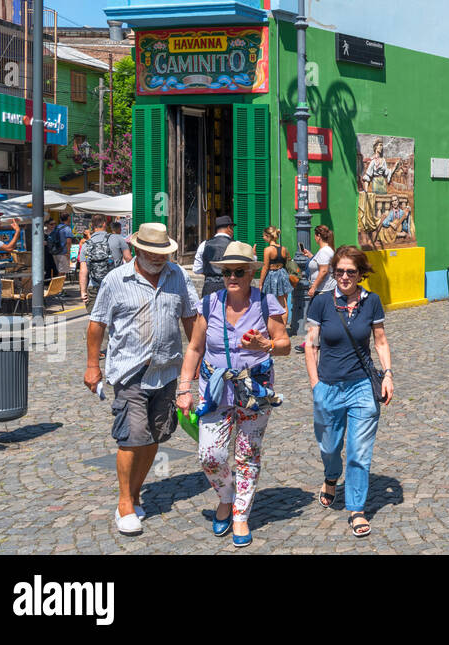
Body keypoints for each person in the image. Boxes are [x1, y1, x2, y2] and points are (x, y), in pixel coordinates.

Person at [83, 222, 198, 536]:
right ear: (136, 249)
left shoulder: (179, 277)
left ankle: (135, 493)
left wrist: (197, 361)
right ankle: (124, 503)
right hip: (130, 372)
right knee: (133, 436)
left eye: (163, 252)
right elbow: (96, 326)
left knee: (154, 437)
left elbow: (191, 318)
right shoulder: (116, 280)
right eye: (152, 252)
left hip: (167, 372)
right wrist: (93, 366)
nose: (159, 258)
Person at [177, 241, 289, 547]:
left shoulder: (266, 304)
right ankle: (226, 495)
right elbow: (195, 348)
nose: (232, 276)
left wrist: (264, 345)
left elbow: (285, 344)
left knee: (247, 455)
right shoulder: (209, 303)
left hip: (254, 391)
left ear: (251, 272)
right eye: (227, 271)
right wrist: (185, 388)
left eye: (239, 271)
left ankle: (239, 514)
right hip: (215, 391)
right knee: (209, 454)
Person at [305, 246, 394, 538]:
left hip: (361, 387)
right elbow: (311, 345)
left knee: (358, 451)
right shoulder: (321, 303)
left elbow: (380, 341)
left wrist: (388, 374)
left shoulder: (372, 302)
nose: (344, 276)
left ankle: (356, 509)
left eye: (350, 272)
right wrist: (316, 385)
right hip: (328, 387)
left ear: (360, 274)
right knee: (329, 446)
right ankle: (331, 476)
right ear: (333, 272)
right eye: (339, 271)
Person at [299, 224, 336, 345]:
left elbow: (324, 270)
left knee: (312, 316)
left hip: (323, 290)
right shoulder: (325, 251)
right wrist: (311, 256)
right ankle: (312, 341)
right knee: (315, 316)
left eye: (315, 235)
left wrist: (314, 286)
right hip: (323, 290)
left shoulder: (325, 251)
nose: (314, 238)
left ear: (318, 236)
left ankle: (311, 342)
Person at [78, 214, 115, 317]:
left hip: (93, 285)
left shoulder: (86, 244)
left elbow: (83, 271)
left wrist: (83, 291)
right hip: (114, 286)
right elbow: (129, 260)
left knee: (95, 318)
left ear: (92, 225)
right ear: (104, 224)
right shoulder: (116, 239)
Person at [258, 226, 293, 310]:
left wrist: (260, 283)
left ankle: (274, 322)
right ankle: (284, 323)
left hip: (272, 276)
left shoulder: (267, 250)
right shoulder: (284, 249)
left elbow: (265, 267)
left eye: (264, 236)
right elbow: (289, 261)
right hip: (283, 274)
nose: (263, 238)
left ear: (268, 236)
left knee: (271, 301)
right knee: (284, 302)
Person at [199, 215, 236, 296]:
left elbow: (197, 269)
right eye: (232, 228)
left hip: (209, 286)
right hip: (228, 285)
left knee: (208, 308)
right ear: (229, 228)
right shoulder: (235, 244)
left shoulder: (204, 244)